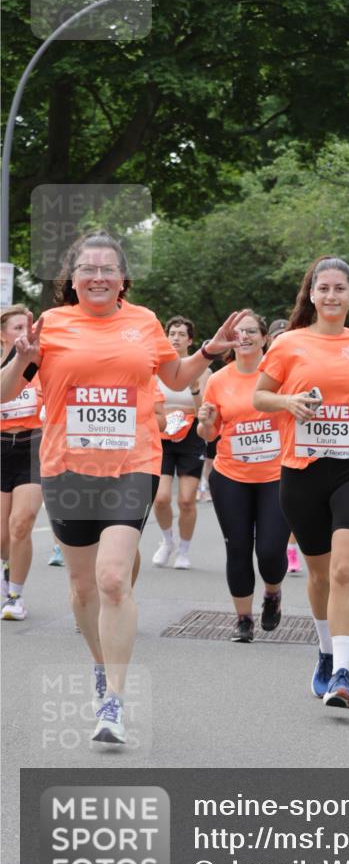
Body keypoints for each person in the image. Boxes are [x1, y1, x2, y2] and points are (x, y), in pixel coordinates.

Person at [0, 230, 249, 744]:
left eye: (107, 269)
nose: (96, 276)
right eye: (86, 269)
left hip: (132, 462)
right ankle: (100, 665)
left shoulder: (144, 322)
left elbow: (176, 378)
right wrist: (17, 358)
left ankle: (113, 697)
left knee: (113, 578)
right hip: (67, 468)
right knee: (83, 586)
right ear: (71, 278)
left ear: (122, 278)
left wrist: (208, 351)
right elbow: (6, 392)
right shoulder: (51, 326)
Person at [254, 255, 349, 709]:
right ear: (312, 295)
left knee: (343, 570)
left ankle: (342, 672)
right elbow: (259, 396)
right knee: (318, 575)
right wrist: (288, 401)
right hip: (301, 470)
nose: (332, 295)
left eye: (340, 288)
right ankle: (323, 651)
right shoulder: (288, 344)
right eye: (324, 288)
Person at [197, 312, 290, 642]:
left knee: (269, 549)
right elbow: (208, 433)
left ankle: (272, 593)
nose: (245, 337)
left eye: (252, 331)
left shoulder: (282, 376)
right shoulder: (218, 380)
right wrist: (205, 421)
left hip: (276, 477)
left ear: (265, 338)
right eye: (238, 333)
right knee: (237, 548)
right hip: (230, 476)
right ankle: (243, 619)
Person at [152, 316, 210, 570]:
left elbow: (204, 411)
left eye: (181, 334)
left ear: (190, 340)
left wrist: (195, 389)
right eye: (171, 333)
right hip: (162, 435)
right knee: (161, 498)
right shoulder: (155, 368)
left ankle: (184, 550)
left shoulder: (203, 370)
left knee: (186, 500)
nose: (175, 338)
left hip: (190, 436)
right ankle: (167, 541)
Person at [0, 305, 43, 620]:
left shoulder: (40, 363)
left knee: (22, 522)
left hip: (34, 445)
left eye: (27, 327)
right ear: (3, 335)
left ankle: (15, 595)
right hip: (1, 447)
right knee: (2, 534)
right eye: (17, 328)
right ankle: (5, 573)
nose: (23, 333)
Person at [267, 318, 302, 575]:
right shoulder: (263, 370)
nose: (281, 340)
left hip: (292, 443)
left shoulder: (300, 368)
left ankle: (291, 549)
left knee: (293, 504)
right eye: (276, 336)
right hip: (264, 450)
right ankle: (279, 547)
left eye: (285, 336)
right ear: (269, 340)